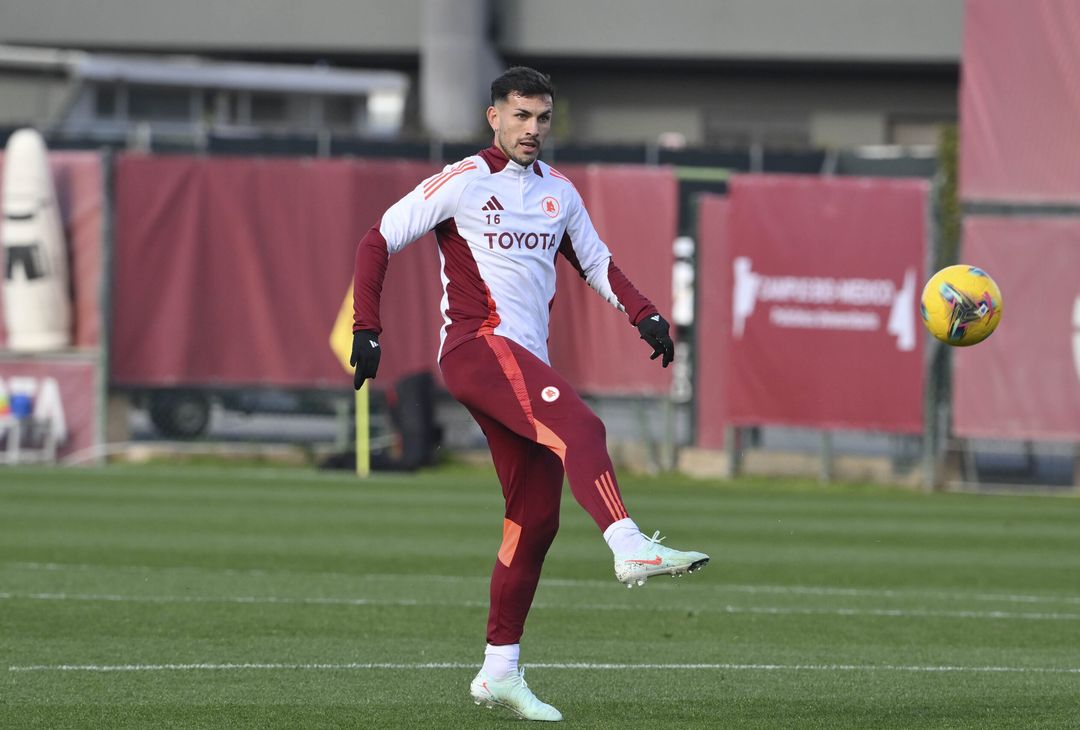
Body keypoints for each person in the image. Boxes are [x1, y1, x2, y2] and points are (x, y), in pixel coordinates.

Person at [350, 66, 708, 723]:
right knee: (585, 429)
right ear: (494, 117)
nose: (532, 129)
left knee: (536, 517)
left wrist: (646, 314)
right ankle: (629, 545)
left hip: (520, 359)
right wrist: (366, 327)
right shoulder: (464, 180)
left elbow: (596, 262)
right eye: (520, 115)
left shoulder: (558, 192)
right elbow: (379, 238)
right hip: (477, 348)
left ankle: (499, 671)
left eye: (542, 118)